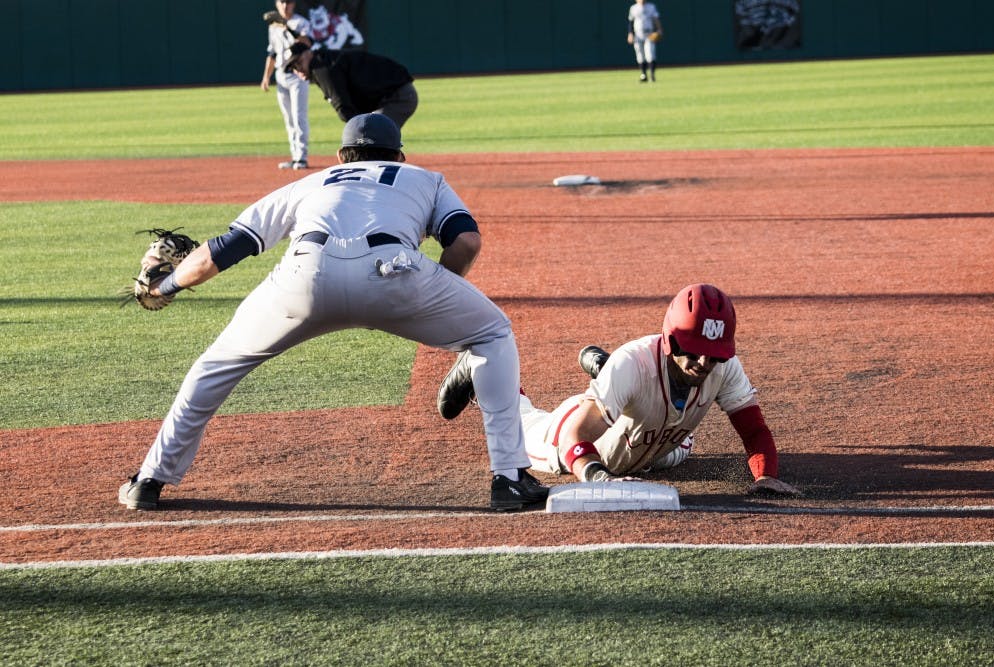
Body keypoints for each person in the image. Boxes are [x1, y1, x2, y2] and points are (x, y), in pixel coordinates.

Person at [118, 113, 548, 513]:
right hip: (395, 272)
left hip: (304, 276)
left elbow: (227, 248)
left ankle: (150, 479)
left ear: (341, 157)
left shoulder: (310, 182)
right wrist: (432, 297)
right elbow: (466, 242)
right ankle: (509, 479)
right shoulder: (425, 178)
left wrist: (164, 286)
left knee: (215, 365)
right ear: (399, 156)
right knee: (492, 333)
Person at [439, 283, 801, 496]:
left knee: (677, 449)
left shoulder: (724, 367)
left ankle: (612, 381)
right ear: (671, 340)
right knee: (520, 422)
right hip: (566, 435)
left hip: (653, 436)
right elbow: (575, 436)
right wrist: (600, 478)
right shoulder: (635, 362)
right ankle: (479, 367)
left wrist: (765, 475)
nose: (705, 363)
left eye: (715, 354)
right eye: (694, 351)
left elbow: (753, 429)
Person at [283, 43, 418, 129]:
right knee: (371, 138)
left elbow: (344, 109)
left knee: (373, 136)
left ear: (309, 53)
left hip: (398, 97)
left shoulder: (321, 68)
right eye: (293, 68)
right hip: (393, 95)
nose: (297, 69)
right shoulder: (323, 61)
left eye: (298, 63)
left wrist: (357, 134)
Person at [260, 0, 312, 170]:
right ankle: (294, 155)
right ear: (277, 4)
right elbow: (272, 52)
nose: (285, 5)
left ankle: (302, 157)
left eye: (288, 2)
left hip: (298, 75)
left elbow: (307, 43)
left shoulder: (301, 22)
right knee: (289, 118)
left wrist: (288, 27)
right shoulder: (273, 26)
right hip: (281, 75)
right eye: (282, 2)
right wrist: (266, 77)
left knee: (299, 116)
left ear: (293, 4)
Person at [627, 0, 664, 83]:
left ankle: (652, 75)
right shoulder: (633, 8)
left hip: (649, 34)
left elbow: (656, 19)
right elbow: (631, 22)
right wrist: (630, 33)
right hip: (638, 34)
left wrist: (659, 29)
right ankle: (643, 74)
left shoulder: (651, 7)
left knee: (650, 54)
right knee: (640, 55)